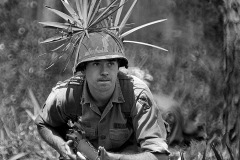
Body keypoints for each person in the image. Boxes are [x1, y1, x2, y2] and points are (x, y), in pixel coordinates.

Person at [35, 32, 170, 160]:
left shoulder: (136, 95)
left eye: (111, 63)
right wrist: (62, 147)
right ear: (83, 69)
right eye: (96, 63)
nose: (104, 71)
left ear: (118, 67)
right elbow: (43, 123)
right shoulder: (67, 94)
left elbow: (160, 156)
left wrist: (112, 159)